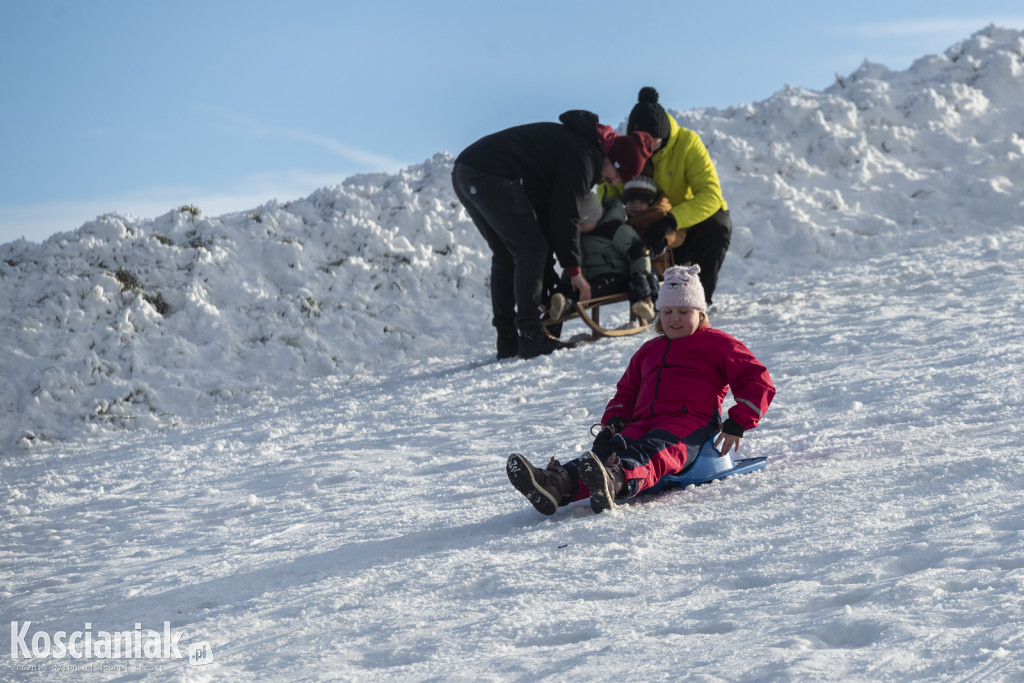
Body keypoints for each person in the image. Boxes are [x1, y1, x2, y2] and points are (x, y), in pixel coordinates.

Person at [505, 264, 775, 515]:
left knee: (654, 448)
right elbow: (627, 391)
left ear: (700, 313)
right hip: (644, 421)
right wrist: (614, 421)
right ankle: (556, 483)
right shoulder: (649, 350)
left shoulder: (718, 343)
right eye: (668, 312)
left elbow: (756, 378)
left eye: (684, 312)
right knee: (610, 448)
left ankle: (617, 479)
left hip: (690, 423)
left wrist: (738, 422)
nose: (675, 319)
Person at [452, 110, 656, 360]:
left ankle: (507, 340)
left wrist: (547, 271)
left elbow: (545, 208)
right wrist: (574, 272)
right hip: (488, 174)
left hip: (468, 170)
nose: (612, 182)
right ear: (613, 160)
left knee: (507, 253)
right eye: (618, 175)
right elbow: (565, 214)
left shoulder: (577, 149)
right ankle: (531, 335)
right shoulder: (584, 157)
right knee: (530, 249)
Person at [601, 87, 732, 308]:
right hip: (645, 224)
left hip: (685, 222)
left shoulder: (687, 143)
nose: (643, 148)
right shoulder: (626, 148)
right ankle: (648, 298)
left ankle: (700, 302)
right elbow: (609, 193)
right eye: (638, 141)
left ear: (662, 136)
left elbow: (711, 194)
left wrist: (672, 220)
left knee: (717, 225)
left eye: (649, 142)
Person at [548, 191, 658, 324]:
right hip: (584, 277)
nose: (578, 228)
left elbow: (637, 251)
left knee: (595, 287)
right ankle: (560, 303)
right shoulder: (576, 233)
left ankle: (643, 303)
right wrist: (567, 278)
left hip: (615, 276)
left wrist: (638, 274)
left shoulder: (615, 229)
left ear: (595, 217)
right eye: (576, 223)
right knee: (565, 287)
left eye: (582, 224)